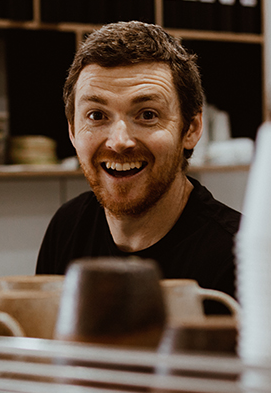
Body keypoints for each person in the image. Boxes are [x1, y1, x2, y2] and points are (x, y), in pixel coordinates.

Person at [35, 21, 241, 303]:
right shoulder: (68, 227)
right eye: (96, 116)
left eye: (147, 115)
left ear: (191, 129)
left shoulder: (240, 257)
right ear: (72, 131)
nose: (119, 141)